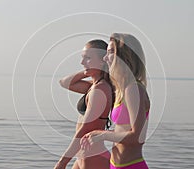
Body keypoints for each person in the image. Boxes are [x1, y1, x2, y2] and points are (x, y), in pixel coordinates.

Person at [81, 33, 151, 169]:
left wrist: (103, 135)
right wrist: (97, 134)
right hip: (116, 165)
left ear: (125, 57)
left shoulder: (133, 89)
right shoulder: (122, 89)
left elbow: (136, 138)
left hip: (131, 166)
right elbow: (123, 131)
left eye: (111, 52)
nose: (106, 57)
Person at [54, 39, 114, 169]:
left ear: (102, 59)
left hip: (93, 157)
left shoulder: (100, 90)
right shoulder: (94, 86)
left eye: (87, 58)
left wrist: (62, 162)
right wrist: (89, 70)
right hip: (83, 156)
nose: (82, 62)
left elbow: (85, 129)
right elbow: (64, 82)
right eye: (83, 58)